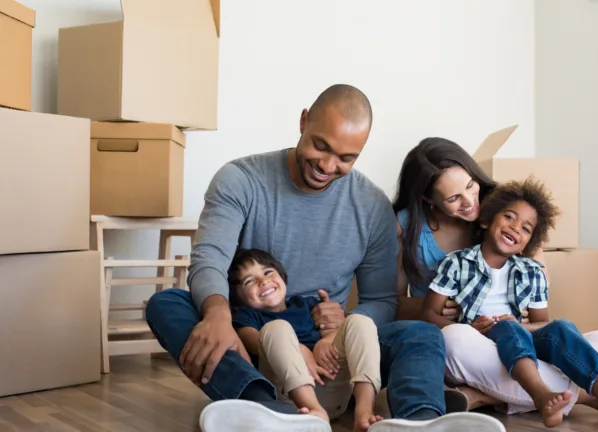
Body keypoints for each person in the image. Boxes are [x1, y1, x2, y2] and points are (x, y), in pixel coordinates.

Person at [145, 85, 504, 432]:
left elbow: (381, 300)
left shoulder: (372, 206)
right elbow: (210, 256)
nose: (328, 166)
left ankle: (418, 422)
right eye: (321, 146)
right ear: (304, 122)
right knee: (167, 304)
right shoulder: (240, 180)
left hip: (333, 355)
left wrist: (340, 329)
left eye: (346, 158)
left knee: (421, 334)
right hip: (251, 339)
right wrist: (218, 314)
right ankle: (262, 405)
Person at [391, 137, 598, 418]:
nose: (471, 202)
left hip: (520, 338)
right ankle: (589, 397)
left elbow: (539, 295)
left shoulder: (506, 209)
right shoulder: (413, 232)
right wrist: (447, 311)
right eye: (454, 198)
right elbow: (394, 303)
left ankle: (482, 397)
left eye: (470, 185)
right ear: (428, 199)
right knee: (456, 338)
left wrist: (527, 316)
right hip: (468, 342)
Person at [422, 178, 598, 429]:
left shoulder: (532, 271)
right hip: (479, 346)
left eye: (526, 228)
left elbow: (541, 324)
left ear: (530, 242)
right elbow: (429, 314)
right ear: (486, 219)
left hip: (523, 347)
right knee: (456, 337)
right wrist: (471, 329)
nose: (515, 228)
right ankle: (557, 395)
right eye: (510, 217)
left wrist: (519, 326)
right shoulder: (457, 263)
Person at [228, 248, 383, 431]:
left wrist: (325, 341)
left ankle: (364, 412)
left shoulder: (306, 303)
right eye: (250, 281)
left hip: (331, 381)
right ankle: (314, 411)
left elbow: (331, 329)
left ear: (282, 276)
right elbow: (251, 340)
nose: (263, 281)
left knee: (360, 321)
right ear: (238, 298)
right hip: (292, 397)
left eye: (268, 272)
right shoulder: (248, 316)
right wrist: (299, 350)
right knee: (276, 328)